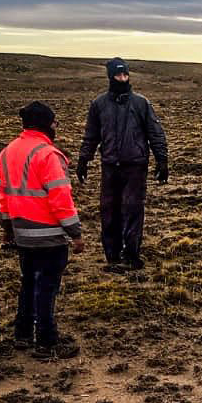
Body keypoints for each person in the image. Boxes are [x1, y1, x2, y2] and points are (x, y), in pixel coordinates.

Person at [0, 101, 85, 360]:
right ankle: (46, 342)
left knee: (28, 283)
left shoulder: (7, 152)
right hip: (49, 235)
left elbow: (3, 196)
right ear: (47, 124)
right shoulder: (48, 155)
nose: (57, 126)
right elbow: (60, 200)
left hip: (22, 233)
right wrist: (75, 233)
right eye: (55, 122)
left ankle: (22, 334)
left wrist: (7, 230)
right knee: (47, 287)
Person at [76, 58, 168, 272]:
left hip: (135, 165)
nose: (123, 78)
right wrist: (84, 159)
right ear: (110, 76)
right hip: (110, 165)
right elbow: (91, 135)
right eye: (118, 75)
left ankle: (132, 254)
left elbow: (155, 133)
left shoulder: (141, 103)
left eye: (125, 75)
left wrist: (162, 160)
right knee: (109, 210)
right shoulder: (99, 104)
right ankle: (112, 255)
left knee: (133, 208)